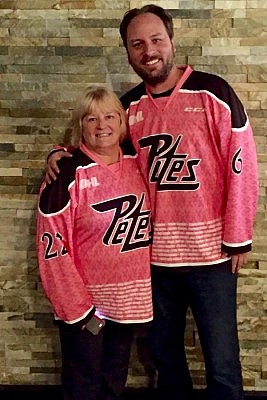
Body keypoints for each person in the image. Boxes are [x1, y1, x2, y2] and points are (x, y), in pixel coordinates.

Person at [45, 5, 259, 400]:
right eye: (137, 44)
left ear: (172, 41)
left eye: (156, 39)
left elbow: (242, 167)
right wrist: (59, 154)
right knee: (164, 358)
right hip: (152, 263)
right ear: (128, 52)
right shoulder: (128, 109)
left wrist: (239, 235)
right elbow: (99, 144)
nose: (149, 50)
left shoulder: (214, 93)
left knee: (223, 361)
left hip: (212, 257)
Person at [36, 85, 153, 400]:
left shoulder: (139, 162)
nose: (102, 126)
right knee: (84, 385)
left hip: (129, 304)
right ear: (80, 126)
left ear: (122, 121)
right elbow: (52, 252)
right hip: (87, 309)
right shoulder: (65, 176)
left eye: (110, 116)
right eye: (91, 119)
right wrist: (81, 311)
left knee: (113, 383)